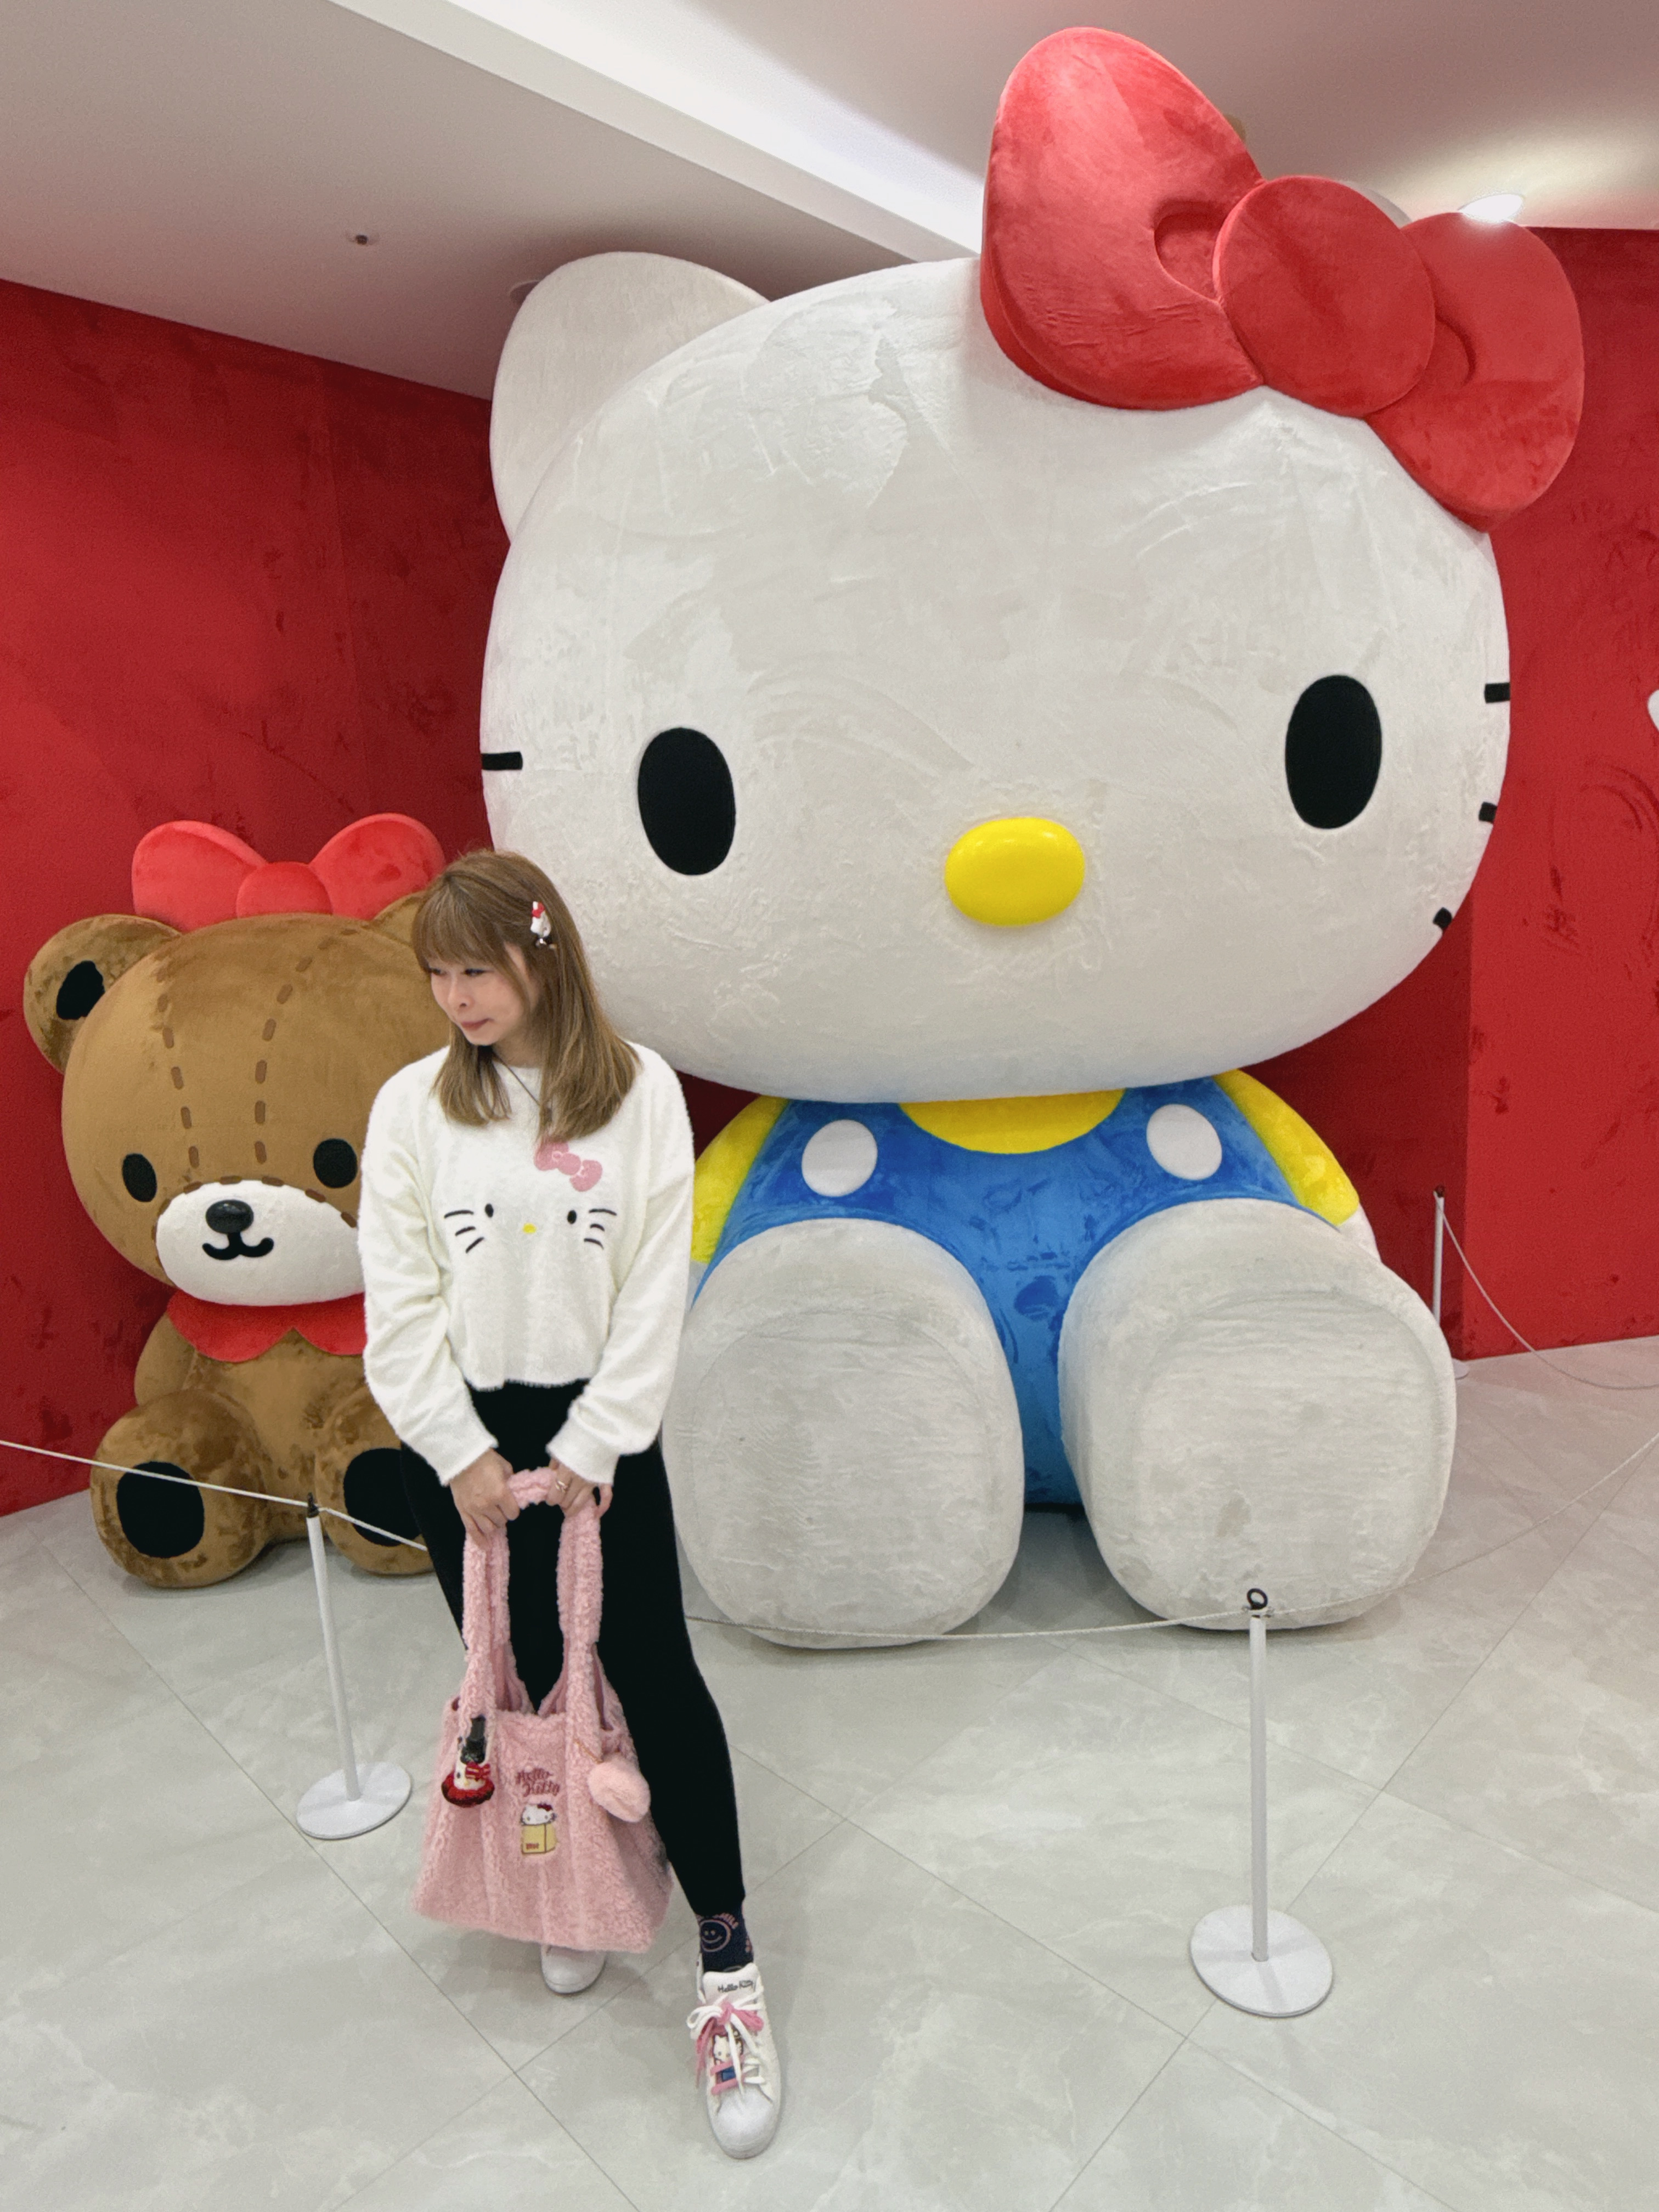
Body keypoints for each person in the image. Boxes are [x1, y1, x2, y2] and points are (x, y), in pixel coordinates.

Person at [358, 848, 781, 2161]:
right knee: (528, 1684)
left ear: (543, 952)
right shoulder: (413, 1107)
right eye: (438, 974)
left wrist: (599, 1438)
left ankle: (728, 1968)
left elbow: (657, 1280)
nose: (457, 998)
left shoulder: (640, 1091)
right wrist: (454, 1451)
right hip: (467, 1453)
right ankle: (576, 1897)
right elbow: (398, 1301)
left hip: (603, 1440)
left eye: (476, 969)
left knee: (654, 1680)